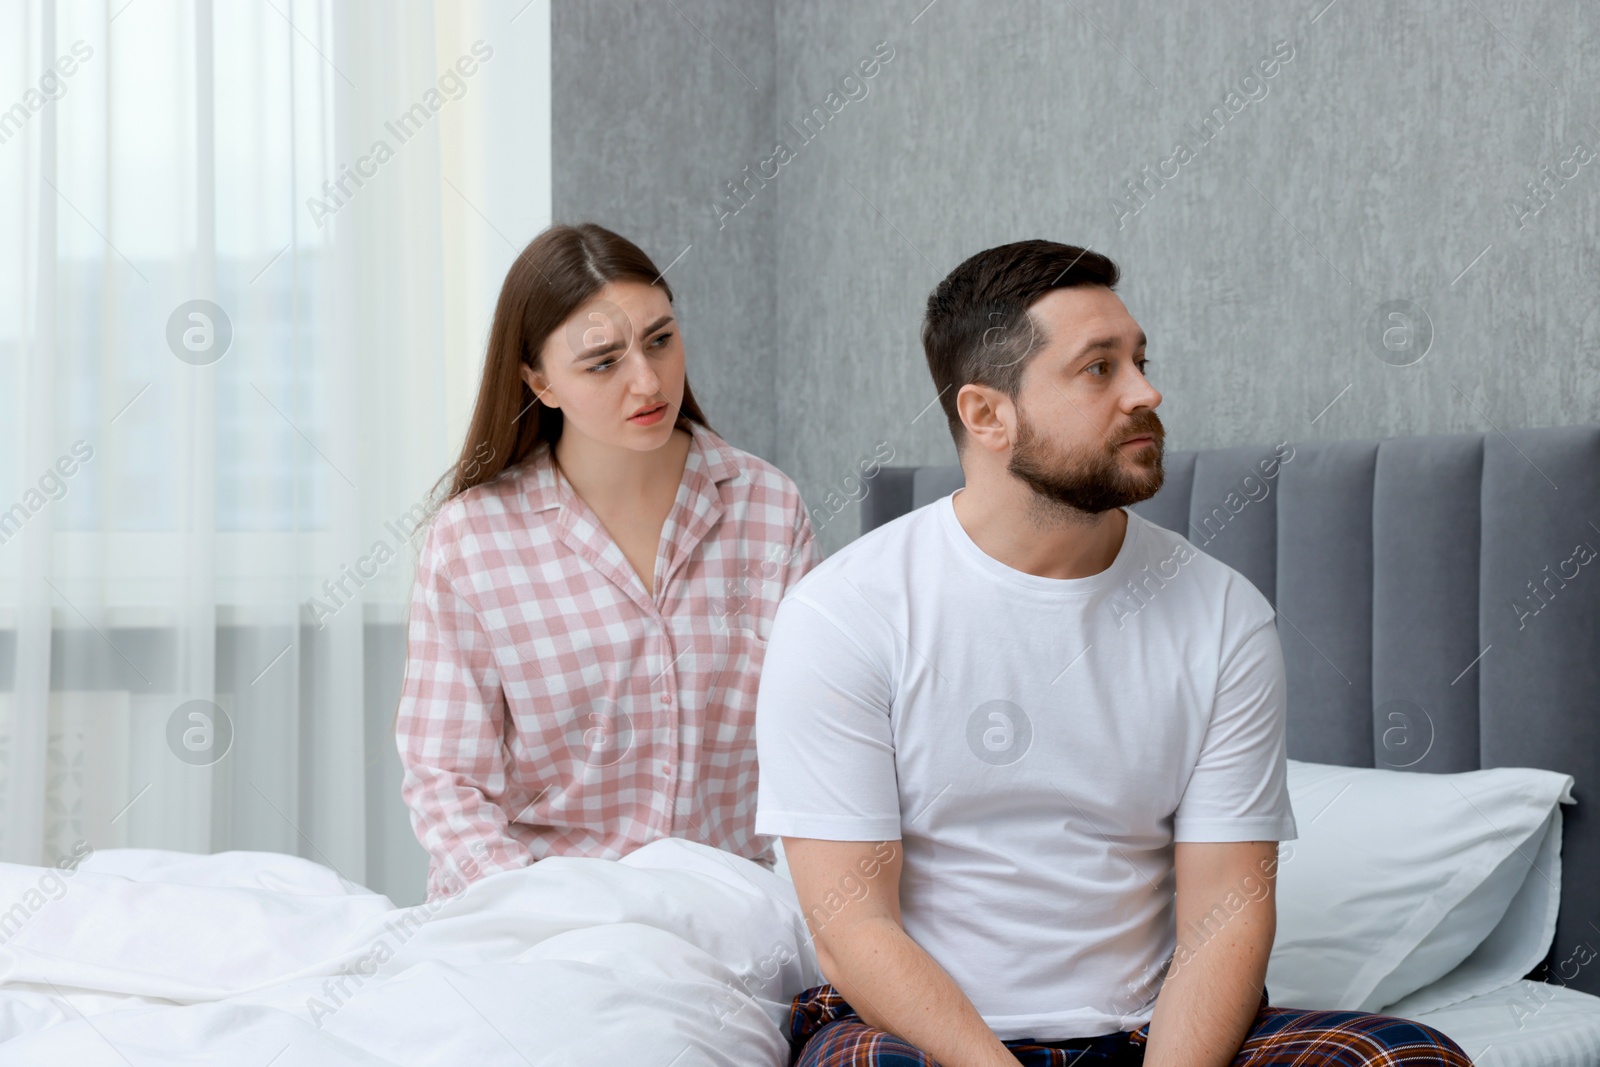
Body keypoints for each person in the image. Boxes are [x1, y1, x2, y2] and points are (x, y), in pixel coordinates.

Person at [753, 240, 1473, 1066]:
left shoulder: (1223, 615)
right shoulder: (844, 615)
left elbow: (1226, 913)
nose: (1146, 391)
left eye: (1140, 359)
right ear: (987, 414)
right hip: (928, 1039)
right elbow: (853, 926)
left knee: (1406, 1058)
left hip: (1150, 1034)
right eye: (1100, 369)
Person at [396, 222, 818, 902]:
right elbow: (447, 780)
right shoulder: (474, 538)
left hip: (725, 919)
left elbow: (817, 746)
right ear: (539, 381)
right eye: (603, 361)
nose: (648, 381)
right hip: (542, 927)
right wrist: (541, 917)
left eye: (661, 339)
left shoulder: (768, 508)